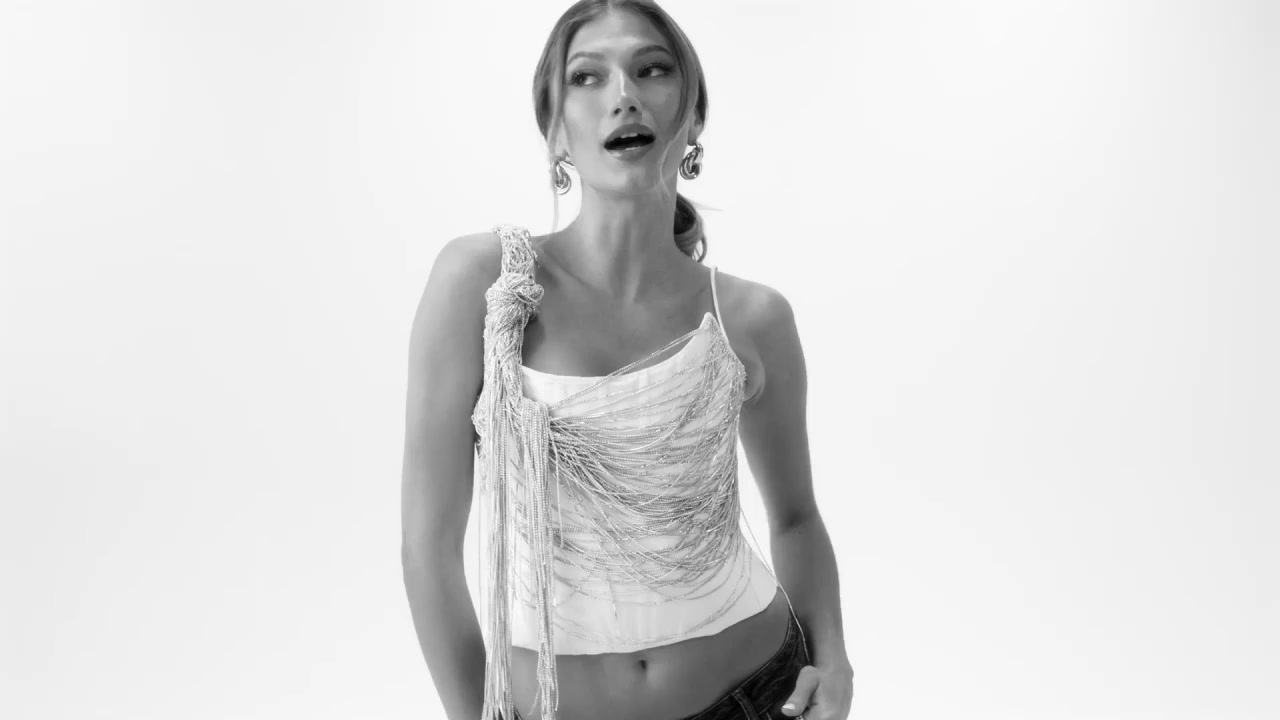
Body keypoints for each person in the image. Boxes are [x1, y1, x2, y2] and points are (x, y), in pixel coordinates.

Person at [401, 2, 854, 719]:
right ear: (555, 130)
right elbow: (427, 548)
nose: (624, 94)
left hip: (761, 694)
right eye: (587, 77)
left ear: (693, 117)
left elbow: (796, 518)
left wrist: (833, 663)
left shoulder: (754, 318)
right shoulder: (484, 284)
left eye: (653, 69)